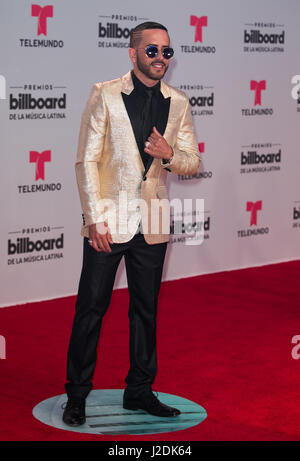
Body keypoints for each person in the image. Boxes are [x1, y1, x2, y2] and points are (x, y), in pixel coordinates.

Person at [63, 21, 200, 426]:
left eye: (167, 52)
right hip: (108, 220)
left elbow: (192, 162)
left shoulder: (179, 102)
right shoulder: (104, 94)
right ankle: (77, 394)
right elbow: (86, 160)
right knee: (91, 308)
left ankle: (139, 391)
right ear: (133, 52)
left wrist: (169, 153)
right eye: (153, 50)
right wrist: (94, 220)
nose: (161, 58)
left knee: (146, 310)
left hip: (154, 220)